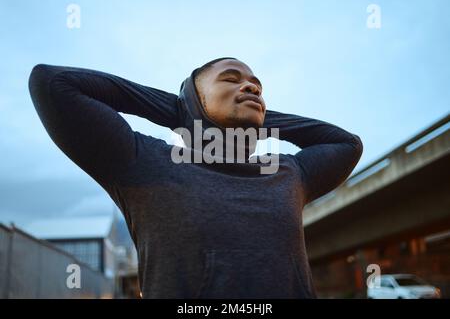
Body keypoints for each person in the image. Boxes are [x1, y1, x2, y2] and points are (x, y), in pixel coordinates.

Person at [28, 57, 363, 298]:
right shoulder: (143, 161)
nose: (251, 86)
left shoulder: (289, 173)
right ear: (193, 98)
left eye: (257, 87)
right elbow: (53, 83)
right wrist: (179, 110)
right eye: (231, 80)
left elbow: (347, 144)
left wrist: (257, 116)